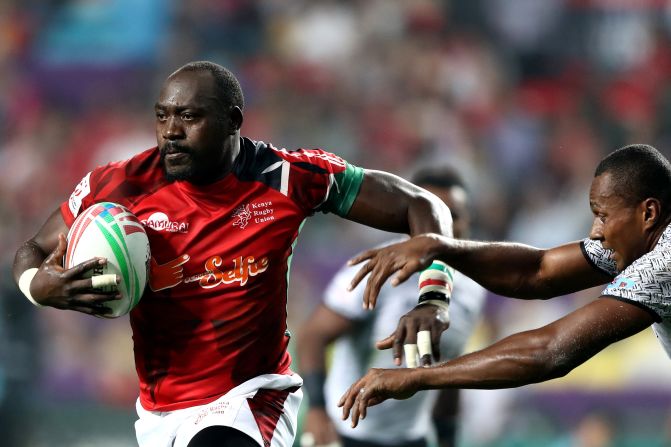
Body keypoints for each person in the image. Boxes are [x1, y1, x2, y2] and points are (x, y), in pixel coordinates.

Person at [12, 61, 454, 447]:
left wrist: (433, 298)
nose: (171, 131)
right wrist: (38, 285)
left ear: (233, 119)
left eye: (189, 116)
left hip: (252, 397)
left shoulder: (288, 178)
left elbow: (425, 206)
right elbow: (32, 250)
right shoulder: (123, 184)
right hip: (158, 411)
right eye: (162, 116)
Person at [339, 144, 671, 427]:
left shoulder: (663, 262)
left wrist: (417, 377)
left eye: (602, 215)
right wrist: (440, 247)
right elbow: (537, 271)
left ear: (649, 213)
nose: (596, 231)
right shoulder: (637, 240)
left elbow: (549, 350)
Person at [296, 166, 486, 447]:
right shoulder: (376, 270)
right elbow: (313, 336)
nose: (440, 228)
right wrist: (317, 410)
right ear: (411, 218)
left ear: (468, 220)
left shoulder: (473, 287)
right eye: (433, 216)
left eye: (452, 216)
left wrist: (447, 437)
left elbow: (447, 367)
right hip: (347, 433)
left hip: (411, 439)